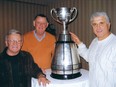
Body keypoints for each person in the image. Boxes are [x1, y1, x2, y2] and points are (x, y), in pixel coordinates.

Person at [70, 12, 116, 87]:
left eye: (101, 23)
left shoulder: (114, 43)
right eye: (95, 24)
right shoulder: (95, 41)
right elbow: (89, 57)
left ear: (108, 25)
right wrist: (79, 43)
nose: (98, 27)